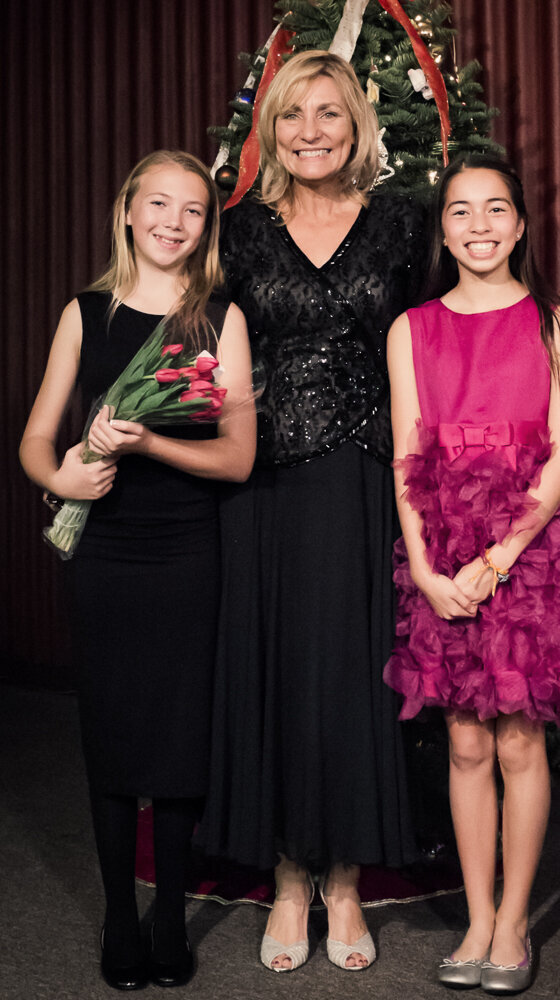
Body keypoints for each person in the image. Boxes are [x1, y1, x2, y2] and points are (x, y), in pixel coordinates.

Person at [195, 50, 425, 972]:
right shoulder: (239, 232)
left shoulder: (403, 227)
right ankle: (290, 878)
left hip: (365, 484)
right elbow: (195, 352)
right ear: (271, 130)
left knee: (349, 679)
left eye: (329, 113)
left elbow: (437, 348)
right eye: (293, 116)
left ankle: (343, 882)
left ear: (356, 125)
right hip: (263, 486)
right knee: (280, 673)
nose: (311, 131)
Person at [20, 150, 255, 991]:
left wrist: (150, 441)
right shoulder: (86, 312)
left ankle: (168, 916)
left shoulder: (218, 316)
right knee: (114, 736)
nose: (173, 221)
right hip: (108, 556)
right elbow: (35, 442)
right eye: (158, 204)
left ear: (206, 227)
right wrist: (64, 477)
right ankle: (122, 912)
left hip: (188, 551)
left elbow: (236, 460)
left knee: (182, 738)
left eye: (192, 210)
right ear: (128, 211)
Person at [384, 154, 560, 994]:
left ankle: (514, 923)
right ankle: (475, 919)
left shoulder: (557, 325)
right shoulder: (411, 329)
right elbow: (408, 452)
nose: (477, 226)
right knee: (464, 740)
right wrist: (422, 563)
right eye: (459, 212)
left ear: (518, 225)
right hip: (441, 549)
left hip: (529, 550)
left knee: (520, 739)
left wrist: (501, 555)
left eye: (494, 210)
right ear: (442, 229)